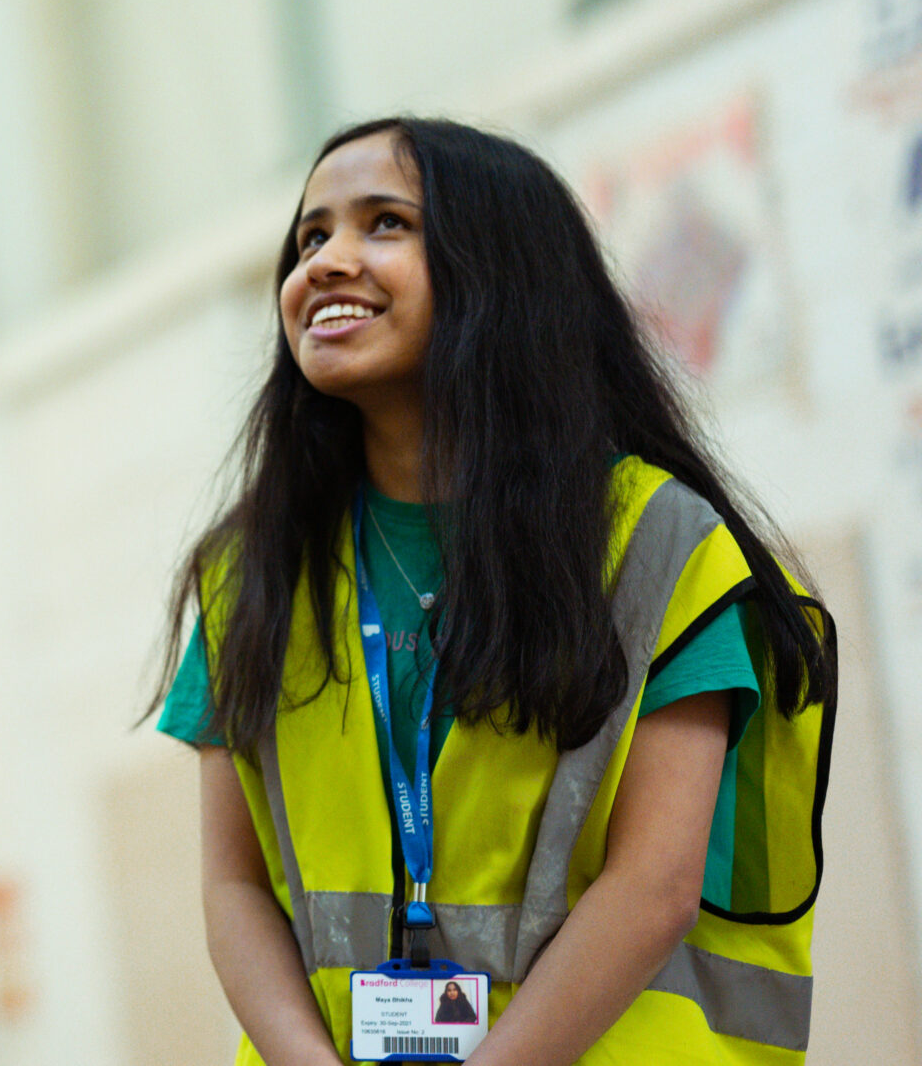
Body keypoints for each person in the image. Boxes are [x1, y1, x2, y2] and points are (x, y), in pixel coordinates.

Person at [153, 117, 833, 1064]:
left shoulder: (658, 543)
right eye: (310, 237)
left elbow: (656, 883)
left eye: (384, 223)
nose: (326, 262)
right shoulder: (248, 573)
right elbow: (232, 886)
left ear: (500, 273)